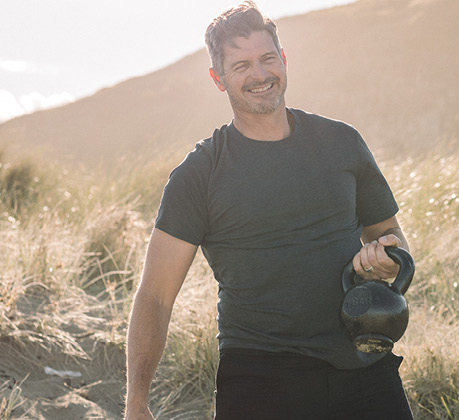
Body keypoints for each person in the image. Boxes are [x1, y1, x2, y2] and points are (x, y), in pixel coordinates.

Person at [123, 2, 413, 419]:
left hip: (364, 362)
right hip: (260, 377)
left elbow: (392, 239)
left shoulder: (342, 143)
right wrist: (137, 402)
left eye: (267, 58)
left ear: (284, 60)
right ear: (218, 79)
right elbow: (155, 296)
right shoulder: (199, 174)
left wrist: (389, 264)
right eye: (241, 66)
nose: (259, 75)